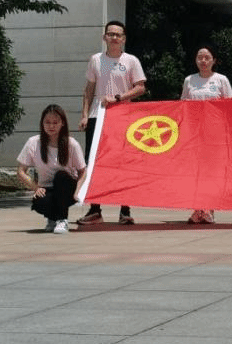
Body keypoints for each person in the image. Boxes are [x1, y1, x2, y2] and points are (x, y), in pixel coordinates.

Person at [77, 20, 147, 225]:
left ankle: (125, 210)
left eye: (118, 35)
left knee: (123, 164)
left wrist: (118, 98)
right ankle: (95, 209)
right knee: (94, 163)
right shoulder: (96, 60)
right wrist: (84, 115)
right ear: (104, 37)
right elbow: (89, 90)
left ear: (123, 39)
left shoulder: (131, 60)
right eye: (111, 34)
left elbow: (140, 87)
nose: (114, 37)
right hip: (97, 118)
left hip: (123, 118)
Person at [180, 43, 232, 224]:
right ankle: (197, 209)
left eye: (207, 58)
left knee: (211, 172)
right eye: (200, 57)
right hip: (194, 134)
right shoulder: (189, 80)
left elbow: (231, 106)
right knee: (195, 172)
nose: (203, 61)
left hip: (214, 134)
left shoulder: (221, 80)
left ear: (214, 60)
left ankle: (209, 208)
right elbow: (183, 106)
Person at [16, 104, 87, 234]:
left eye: (55, 122)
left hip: (67, 189)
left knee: (60, 176)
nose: (51, 126)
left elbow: (83, 171)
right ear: (42, 123)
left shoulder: (72, 144)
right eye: (47, 122)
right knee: (39, 203)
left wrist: (77, 192)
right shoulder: (33, 142)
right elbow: (21, 171)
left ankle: (62, 220)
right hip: (47, 188)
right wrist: (36, 188)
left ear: (62, 123)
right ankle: (53, 218)